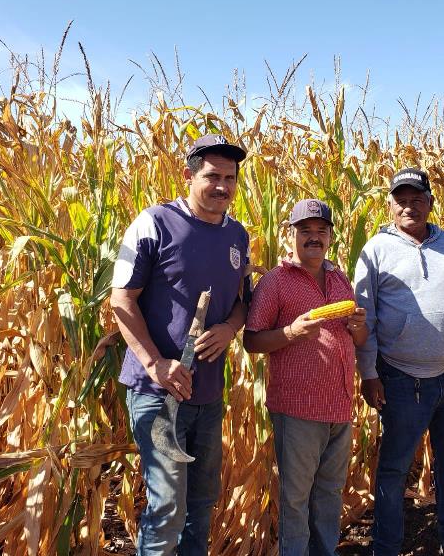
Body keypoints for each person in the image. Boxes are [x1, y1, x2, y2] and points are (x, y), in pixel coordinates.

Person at [110, 134, 251, 556]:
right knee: (167, 505)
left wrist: (229, 328)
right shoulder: (153, 222)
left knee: (202, 503)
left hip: (208, 394)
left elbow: (242, 303)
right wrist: (156, 365)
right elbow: (121, 299)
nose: (222, 186)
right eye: (212, 176)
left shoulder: (238, 236)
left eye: (230, 178)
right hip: (158, 393)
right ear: (188, 175)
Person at [353, 168, 444, 556]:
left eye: (417, 199)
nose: (409, 206)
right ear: (390, 205)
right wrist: (368, 373)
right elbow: (365, 317)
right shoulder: (375, 250)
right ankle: (386, 546)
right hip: (401, 379)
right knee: (394, 469)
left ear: (430, 203)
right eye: (402, 199)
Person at [243, 199, 368, 556]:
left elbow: (357, 338)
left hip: (339, 405)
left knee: (329, 493)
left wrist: (358, 328)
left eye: (320, 231)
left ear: (330, 236)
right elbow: (252, 340)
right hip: (297, 407)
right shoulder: (275, 282)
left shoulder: (340, 278)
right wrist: (292, 333)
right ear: (292, 235)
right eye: (305, 231)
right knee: (296, 499)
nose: (314, 238)